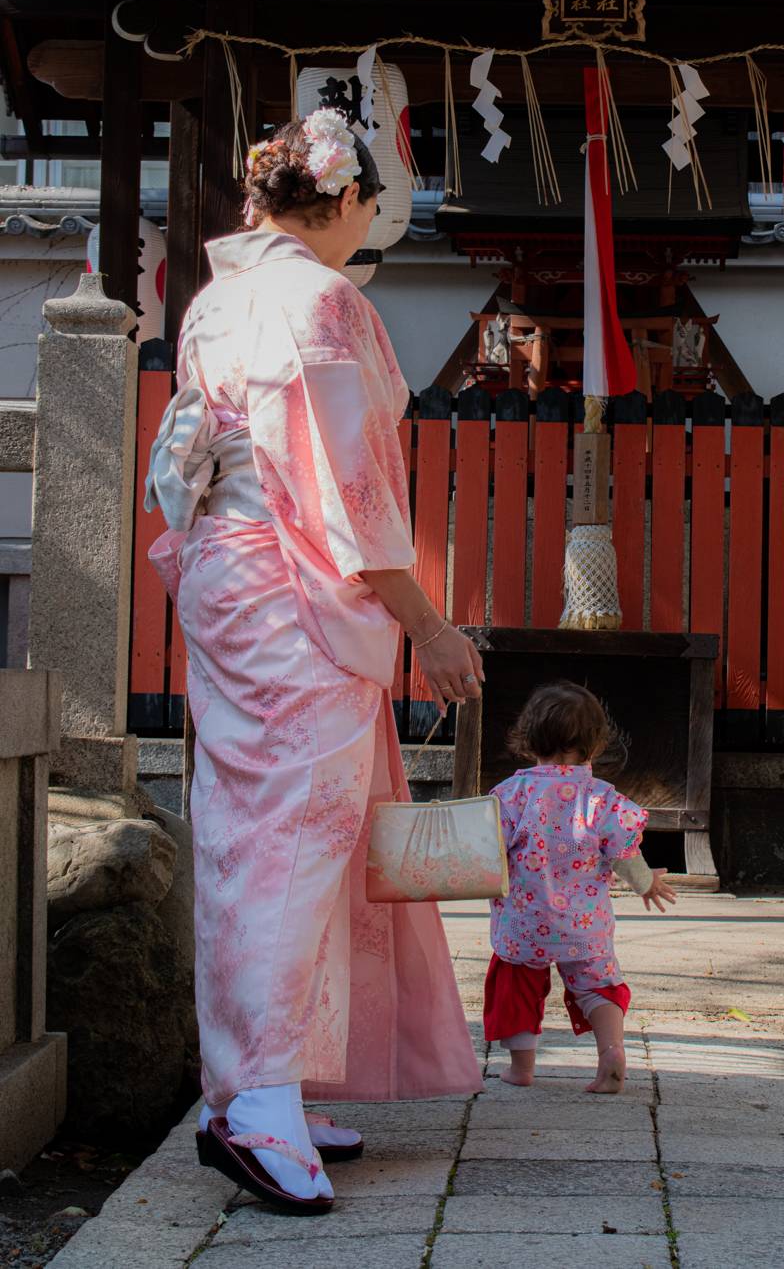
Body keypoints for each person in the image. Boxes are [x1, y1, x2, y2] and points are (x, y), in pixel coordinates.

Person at [145, 108, 485, 1215]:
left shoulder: (220, 298)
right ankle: (256, 1108)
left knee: (258, 838)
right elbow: (351, 488)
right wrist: (428, 625)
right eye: (371, 206)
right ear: (339, 204)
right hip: (297, 589)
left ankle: (257, 1084)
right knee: (296, 842)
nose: (370, 224)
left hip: (230, 581)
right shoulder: (320, 300)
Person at [483, 680, 676, 1094]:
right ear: (594, 746)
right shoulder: (602, 798)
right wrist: (647, 884)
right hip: (584, 926)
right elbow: (625, 855)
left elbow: (486, 849)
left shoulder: (511, 794)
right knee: (597, 986)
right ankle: (611, 1052)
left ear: (529, 738)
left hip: (523, 924)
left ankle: (521, 1069)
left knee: (516, 986)